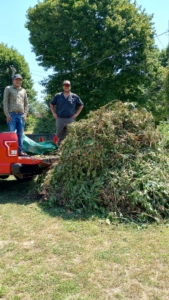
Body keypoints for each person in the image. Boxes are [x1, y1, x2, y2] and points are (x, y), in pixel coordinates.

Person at [50, 80, 84, 145]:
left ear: (70, 87)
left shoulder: (75, 96)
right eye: (65, 85)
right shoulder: (58, 96)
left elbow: (81, 105)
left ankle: (69, 151)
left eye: (68, 85)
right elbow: (51, 104)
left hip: (70, 119)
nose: (66, 87)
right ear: (63, 87)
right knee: (59, 136)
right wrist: (53, 113)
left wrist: (76, 114)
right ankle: (59, 150)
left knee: (71, 136)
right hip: (60, 118)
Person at [3, 74, 28, 156]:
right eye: (16, 79)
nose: (18, 81)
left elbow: (26, 104)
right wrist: (7, 114)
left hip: (21, 115)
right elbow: (5, 102)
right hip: (11, 115)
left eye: (20, 80)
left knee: (20, 134)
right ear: (13, 80)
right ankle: (11, 152)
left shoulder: (23, 91)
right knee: (11, 134)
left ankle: (20, 151)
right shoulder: (8, 88)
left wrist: (25, 114)